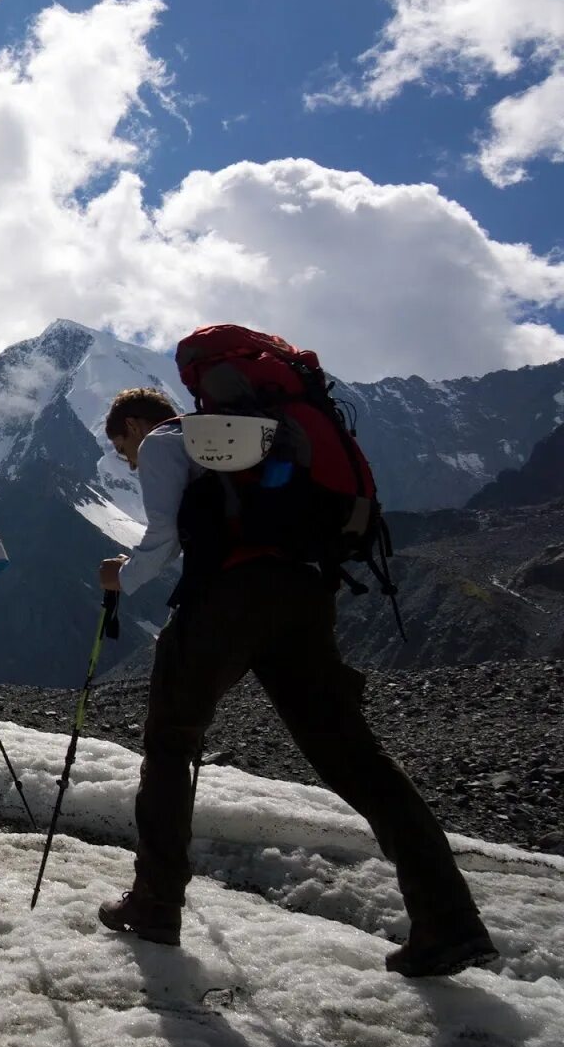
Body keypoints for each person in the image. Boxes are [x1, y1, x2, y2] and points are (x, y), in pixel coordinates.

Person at [93, 385, 497, 978]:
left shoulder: (164, 439)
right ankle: (450, 921)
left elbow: (161, 539)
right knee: (355, 758)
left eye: (121, 445)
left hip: (226, 601)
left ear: (132, 423)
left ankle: (156, 904)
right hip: (305, 597)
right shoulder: (251, 441)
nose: (128, 458)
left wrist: (119, 579)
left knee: (170, 744)